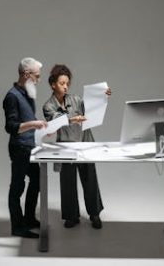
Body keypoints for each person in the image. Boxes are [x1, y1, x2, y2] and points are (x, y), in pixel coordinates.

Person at [42, 64, 112, 229]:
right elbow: (53, 122)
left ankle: (94, 214)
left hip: (84, 143)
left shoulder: (77, 100)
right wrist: (72, 119)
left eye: (67, 83)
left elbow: (93, 108)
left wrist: (103, 97)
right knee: (67, 182)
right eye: (62, 83)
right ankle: (71, 216)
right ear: (53, 84)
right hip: (66, 147)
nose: (65, 87)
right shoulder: (48, 105)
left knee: (90, 179)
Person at [3, 57, 48, 238]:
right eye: (37, 76)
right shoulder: (12, 96)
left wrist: (43, 128)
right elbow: (11, 127)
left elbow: (29, 120)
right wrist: (34, 124)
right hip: (19, 148)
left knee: (36, 182)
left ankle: (29, 218)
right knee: (17, 187)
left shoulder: (28, 93)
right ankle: (17, 226)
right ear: (26, 74)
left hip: (30, 146)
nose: (38, 80)